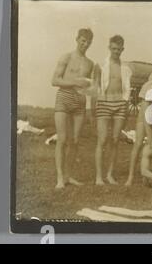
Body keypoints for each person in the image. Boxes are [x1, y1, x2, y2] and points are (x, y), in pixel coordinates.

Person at [51, 28, 94, 189]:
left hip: (80, 102)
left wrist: (89, 88)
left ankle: (68, 176)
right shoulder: (66, 57)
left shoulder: (90, 63)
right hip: (64, 98)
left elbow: (88, 86)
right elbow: (54, 80)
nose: (85, 44)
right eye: (83, 41)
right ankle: (60, 178)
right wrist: (75, 82)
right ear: (77, 39)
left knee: (75, 141)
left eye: (89, 42)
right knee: (62, 140)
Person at [93, 35, 132, 185]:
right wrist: (93, 106)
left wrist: (126, 105)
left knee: (115, 140)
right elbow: (95, 87)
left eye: (119, 49)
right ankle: (98, 177)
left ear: (122, 49)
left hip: (120, 104)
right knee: (102, 139)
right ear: (109, 48)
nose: (116, 51)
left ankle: (109, 174)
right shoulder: (101, 65)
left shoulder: (126, 68)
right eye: (113, 48)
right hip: (104, 102)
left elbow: (127, 89)